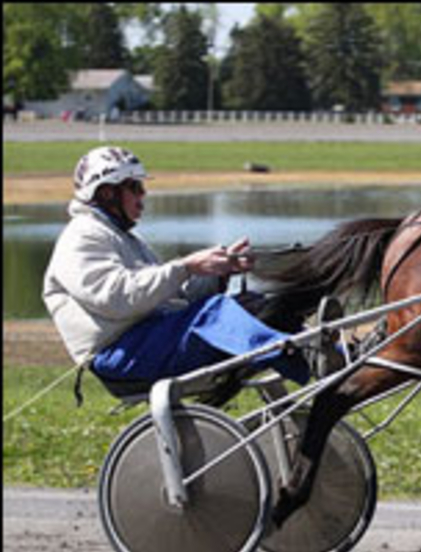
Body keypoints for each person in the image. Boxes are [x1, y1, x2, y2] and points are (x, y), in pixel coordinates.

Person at [42, 145, 313, 387]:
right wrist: (187, 266)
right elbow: (118, 298)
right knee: (216, 314)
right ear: (107, 193)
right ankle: (298, 357)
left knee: (252, 304)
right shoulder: (82, 236)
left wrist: (220, 269)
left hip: (148, 339)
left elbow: (176, 298)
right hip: (118, 354)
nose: (143, 195)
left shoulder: (123, 237)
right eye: (134, 187)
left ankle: (322, 348)